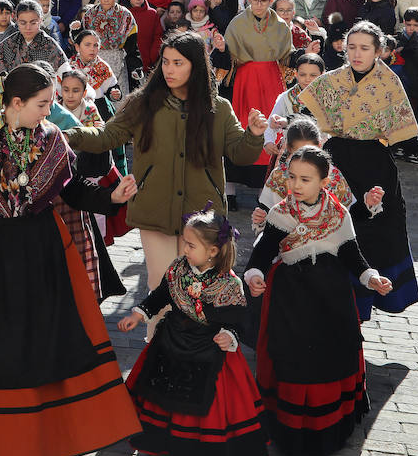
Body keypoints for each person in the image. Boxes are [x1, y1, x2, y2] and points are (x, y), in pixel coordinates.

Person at [0, 63, 140, 456]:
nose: (50, 110)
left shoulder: (53, 139)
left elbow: (73, 189)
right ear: (16, 103)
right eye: (43, 104)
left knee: (46, 349)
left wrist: (111, 196)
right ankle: (2, 450)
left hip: (42, 253)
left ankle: (49, 446)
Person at [66, 33, 267, 329]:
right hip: (154, 212)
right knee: (161, 292)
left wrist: (254, 134)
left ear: (196, 66)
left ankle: (196, 363)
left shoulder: (218, 108)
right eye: (165, 62)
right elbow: (108, 136)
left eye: (178, 63)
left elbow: (240, 153)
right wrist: (71, 133)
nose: (169, 70)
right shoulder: (142, 103)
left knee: (203, 295)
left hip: (204, 217)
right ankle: (157, 358)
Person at [244, 146, 390, 456]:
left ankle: (327, 432)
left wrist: (370, 277)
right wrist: (255, 273)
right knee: (294, 359)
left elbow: (351, 254)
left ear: (324, 181)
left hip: (330, 297)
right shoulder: (281, 213)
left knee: (330, 357)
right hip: (291, 297)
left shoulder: (338, 214)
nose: (296, 185)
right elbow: (264, 248)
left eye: (305, 179)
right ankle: (290, 433)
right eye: (292, 177)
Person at [300, 21, 418, 320]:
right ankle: (329, 305)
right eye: (352, 47)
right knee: (331, 231)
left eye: (365, 48)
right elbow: (305, 116)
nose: (357, 54)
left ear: (378, 51)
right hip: (335, 163)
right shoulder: (331, 80)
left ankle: (362, 307)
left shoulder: (389, 83)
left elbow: (405, 133)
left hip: (375, 167)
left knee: (377, 235)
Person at [117, 210, 267, 456]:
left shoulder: (229, 284)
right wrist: (139, 314)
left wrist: (229, 335)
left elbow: (239, 319)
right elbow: (162, 294)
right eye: (185, 242)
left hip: (210, 351)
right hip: (172, 342)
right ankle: (158, 446)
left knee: (218, 406)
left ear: (212, 251)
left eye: (190, 245)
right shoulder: (178, 268)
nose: (184, 249)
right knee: (162, 395)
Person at [223, 0, 291, 207]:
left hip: (272, 81)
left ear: (271, 0)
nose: (259, 5)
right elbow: (227, 56)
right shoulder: (237, 23)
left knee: (270, 129)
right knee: (241, 128)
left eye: (264, 0)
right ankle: (229, 190)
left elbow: (287, 57)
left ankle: (266, 190)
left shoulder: (281, 25)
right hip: (245, 81)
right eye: (255, 0)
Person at [79, 0, 140, 95]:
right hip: (94, 61)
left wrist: (135, 66)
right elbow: (82, 40)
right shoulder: (89, 15)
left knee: (118, 98)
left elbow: (132, 45)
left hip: (118, 60)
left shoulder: (126, 15)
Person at [0, 0, 65, 73]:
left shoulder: (50, 45)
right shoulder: (12, 41)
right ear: (16, 20)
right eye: (23, 23)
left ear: (40, 20)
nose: (28, 28)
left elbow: (64, 71)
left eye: (33, 23)